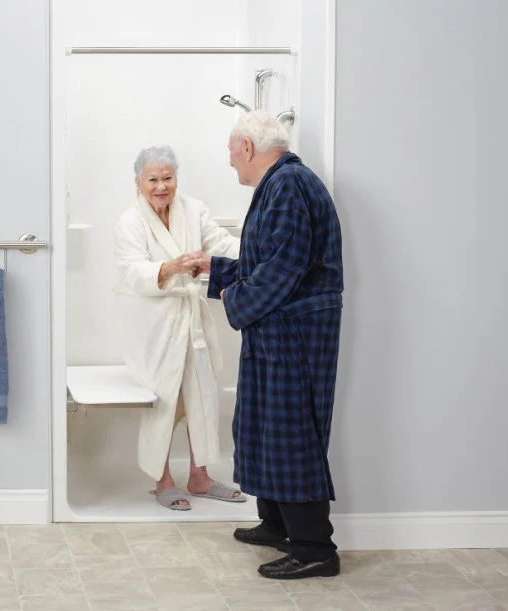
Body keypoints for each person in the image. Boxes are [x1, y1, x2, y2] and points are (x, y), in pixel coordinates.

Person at [190, 111, 344, 578]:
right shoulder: (279, 184)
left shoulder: (289, 185)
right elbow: (264, 263)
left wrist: (232, 297)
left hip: (294, 333)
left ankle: (316, 549)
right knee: (262, 425)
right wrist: (214, 268)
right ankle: (276, 524)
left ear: (248, 148)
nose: (231, 163)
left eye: (231, 153)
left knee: (291, 433)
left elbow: (284, 268)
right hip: (277, 327)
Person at [113, 145, 246, 510]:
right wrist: (170, 267)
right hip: (153, 324)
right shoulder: (130, 222)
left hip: (190, 320)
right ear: (138, 182)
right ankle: (163, 480)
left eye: (167, 178)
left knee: (201, 396)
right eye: (153, 179)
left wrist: (260, 247)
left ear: (176, 179)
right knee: (164, 402)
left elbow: (220, 243)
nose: (161, 186)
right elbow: (130, 270)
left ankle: (200, 477)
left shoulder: (193, 210)